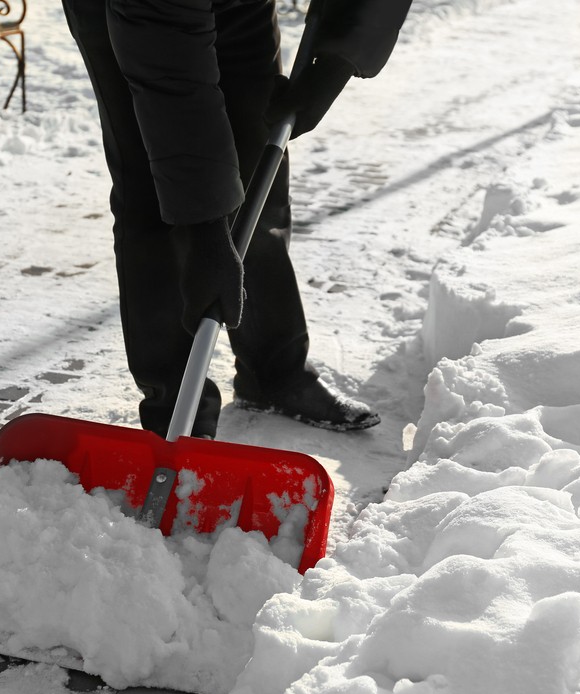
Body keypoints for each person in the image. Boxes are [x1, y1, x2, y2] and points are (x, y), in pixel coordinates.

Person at [60, 0, 412, 439]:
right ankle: (177, 412)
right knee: (155, 185)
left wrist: (338, 60)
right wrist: (205, 233)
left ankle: (273, 374)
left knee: (257, 156)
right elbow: (171, 80)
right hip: (139, 15)